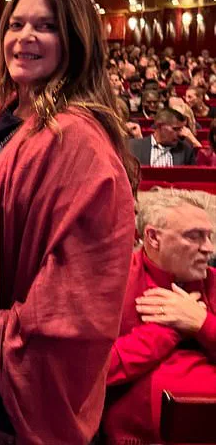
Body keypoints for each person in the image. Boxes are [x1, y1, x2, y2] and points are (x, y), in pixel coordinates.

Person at [0, 0, 137, 444]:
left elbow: (77, 293)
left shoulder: (77, 139)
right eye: (16, 25)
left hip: (11, 389)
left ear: (75, 41)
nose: (25, 37)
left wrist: (3, 343)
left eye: (46, 26)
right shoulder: (3, 116)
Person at [103, 188, 216, 444]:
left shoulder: (213, 282)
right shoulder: (116, 282)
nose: (209, 249)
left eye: (209, 236)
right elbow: (94, 371)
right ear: (153, 238)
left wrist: (201, 323)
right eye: (194, 236)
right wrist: (169, 328)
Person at [129, 108, 197, 166]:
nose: (180, 134)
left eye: (181, 129)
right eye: (175, 129)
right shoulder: (133, 146)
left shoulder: (185, 149)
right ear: (159, 126)